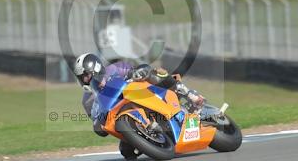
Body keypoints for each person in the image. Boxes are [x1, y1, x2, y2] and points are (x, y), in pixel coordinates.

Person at [73, 53, 205, 139]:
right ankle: (153, 138)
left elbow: (134, 70)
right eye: (82, 78)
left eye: (86, 76)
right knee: (127, 152)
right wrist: (98, 126)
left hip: (141, 94)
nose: (85, 80)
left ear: (95, 68)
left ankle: (188, 94)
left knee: (155, 73)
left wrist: (136, 73)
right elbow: (97, 124)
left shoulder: (114, 69)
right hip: (124, 120)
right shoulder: (87, 100)